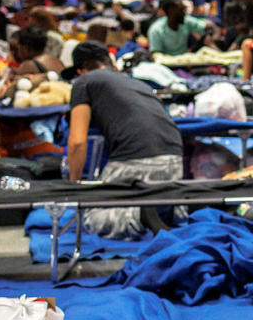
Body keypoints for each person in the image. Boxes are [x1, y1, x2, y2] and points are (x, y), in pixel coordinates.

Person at [65, 41, 183, 236]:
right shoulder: (136, 82)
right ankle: (168, 211)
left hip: (136, 157)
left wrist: (73, 191)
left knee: (91, 217)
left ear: (81, 69)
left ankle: (139, 215)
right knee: (150, 198)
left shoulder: (83, 82)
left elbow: (77, 141)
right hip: (174, 157)